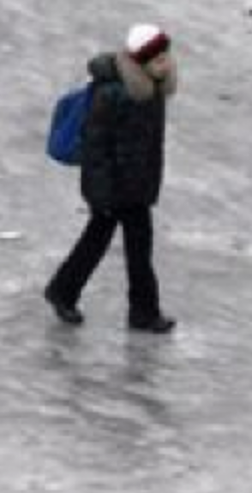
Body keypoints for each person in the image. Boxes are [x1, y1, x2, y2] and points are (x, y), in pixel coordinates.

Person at [44, 23, 179, 333]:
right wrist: (101, 195)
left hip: (137, 186)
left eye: (166, 57)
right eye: (159, 60)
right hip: (112, 189)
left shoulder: (153, 89)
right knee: (98, 243)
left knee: (138, 248)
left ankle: (141, 312)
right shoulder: (113, 94)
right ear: (141, 63)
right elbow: (96, 149)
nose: (166, 64)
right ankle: (64, 292)